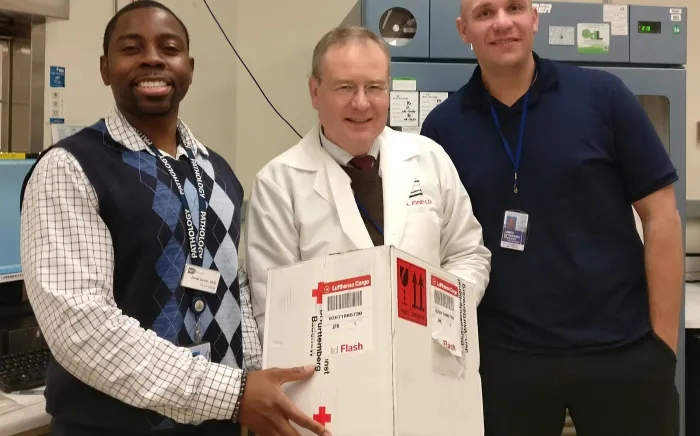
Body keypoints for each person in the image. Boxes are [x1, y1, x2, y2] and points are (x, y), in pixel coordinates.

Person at [19, 2, 330, 436]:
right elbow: (82, 327)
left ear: (190, 67)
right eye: (132, 48)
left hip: (220, 423)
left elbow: (231, 288)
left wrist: (260, 381)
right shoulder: (70, 168)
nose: (152, 58)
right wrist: (236, 393)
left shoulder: (217, 173)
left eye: (169, 47)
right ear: (106, 68)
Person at [420, 0, 683, 435]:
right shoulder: (443, 129)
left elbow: (661, 217)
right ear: (463, 30)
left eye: (514, 7)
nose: (502, 22)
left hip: (622, 351)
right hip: (503, 362)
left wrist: (662, 347)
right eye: (485, 13)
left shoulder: (603, 97)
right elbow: (440, 247)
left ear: (534, 18)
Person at [244, 25, 492, 340]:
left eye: (374, 87)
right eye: (345, 87)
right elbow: (276, 311)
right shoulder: (278, 184)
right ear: (314, 92)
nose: (361, 104)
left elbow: (467, 254)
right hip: (329, 376)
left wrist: (439, 316)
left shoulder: (429, 158)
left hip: (428, 358)